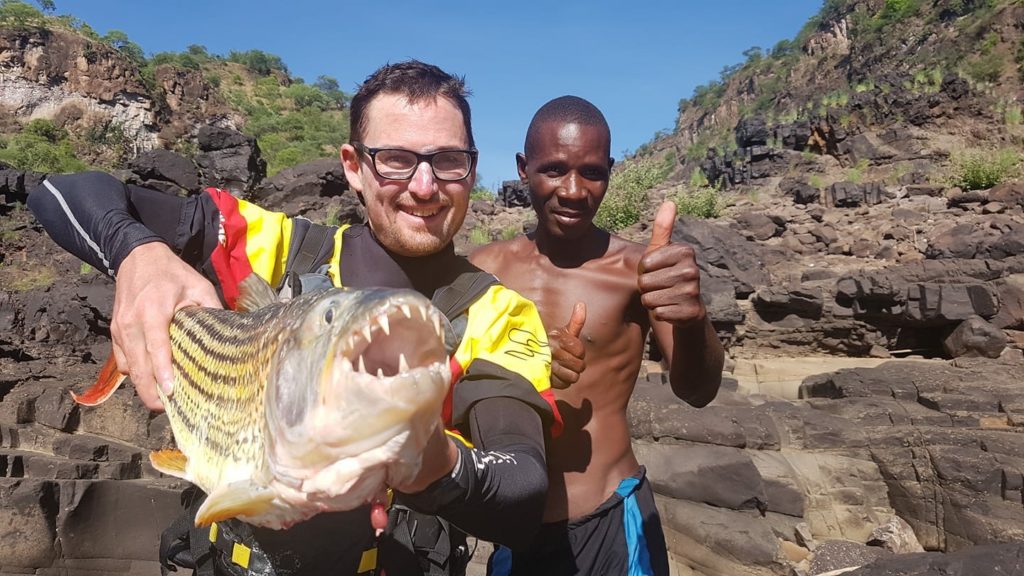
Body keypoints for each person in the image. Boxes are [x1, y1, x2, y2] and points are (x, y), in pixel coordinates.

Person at [28, 60, 561, 576]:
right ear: (353, 166)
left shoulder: (499, 314)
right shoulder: (277, 247)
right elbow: (59, 192)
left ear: (471, 166)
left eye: (447, 160)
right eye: (395, 159)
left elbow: (522, 488)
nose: (424, 185)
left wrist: (430, 460)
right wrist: (138, 255)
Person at [470, 96, 725, 576]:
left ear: (610, 171)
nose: (573, 190)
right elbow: (444, 386)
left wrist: (692, 318)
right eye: (554, 169)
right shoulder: (481, 271)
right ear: (523, 169)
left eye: (592, 172)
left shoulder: (637, 270)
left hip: (612, 520)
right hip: (514, 527)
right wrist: (520, 362)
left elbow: (698, 391)